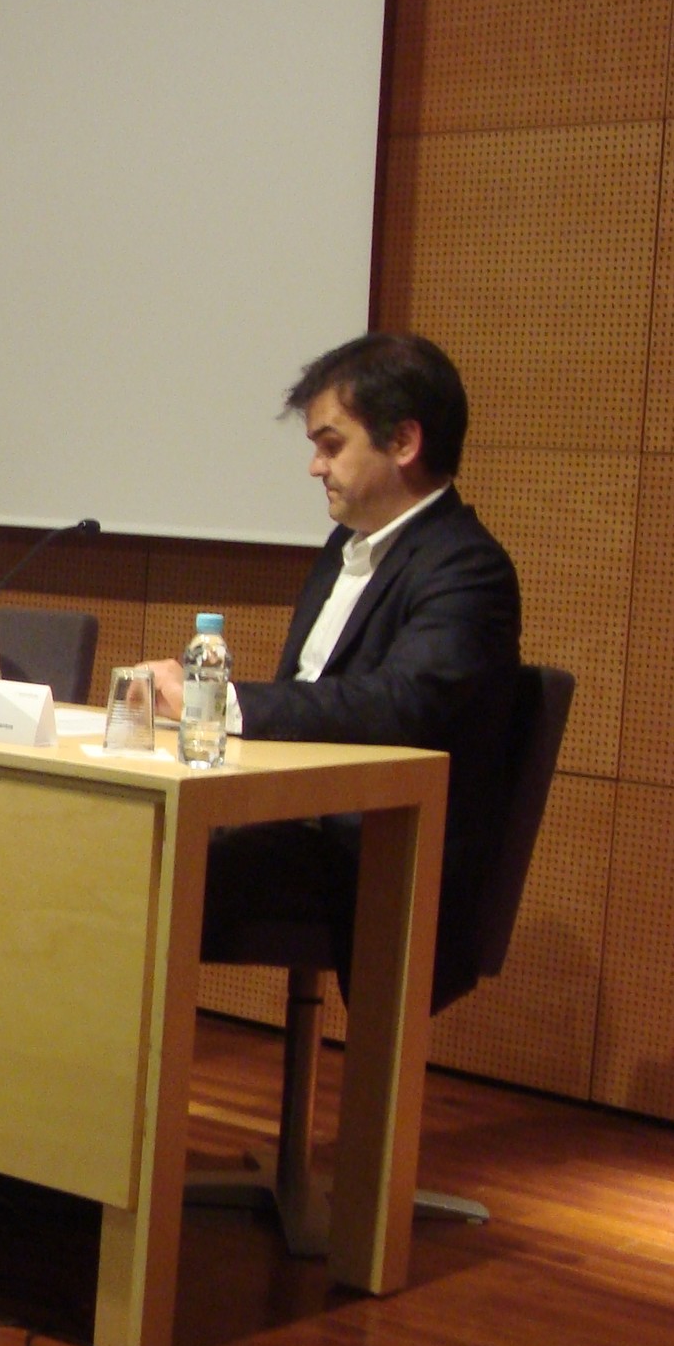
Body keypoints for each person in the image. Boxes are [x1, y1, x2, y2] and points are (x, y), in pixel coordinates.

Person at [144, 333, 521, 1008]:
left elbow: (402, 704)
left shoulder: (467, 567)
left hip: (371, 857)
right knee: (120, 841)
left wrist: (220, 704)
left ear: (403, 443)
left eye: (329, 444)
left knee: (142, 872)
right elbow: (317, 696)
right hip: (299, 827)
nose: (314, 467)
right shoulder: (343, 550)